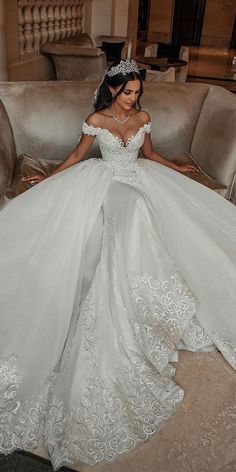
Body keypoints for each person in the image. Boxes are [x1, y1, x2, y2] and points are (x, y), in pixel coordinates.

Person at [0, 59, 235, 471]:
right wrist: (50, 176)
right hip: (104, 182)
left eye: (137, 92)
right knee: (131, 210)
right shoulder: (96, 119)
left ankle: (146, 292)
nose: (134, 98)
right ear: (112, 91)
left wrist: (175, 167)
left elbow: (149, 153)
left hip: (139, 178)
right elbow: (77, 155)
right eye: (128, 92)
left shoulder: (143, 117)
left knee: (147, 208)